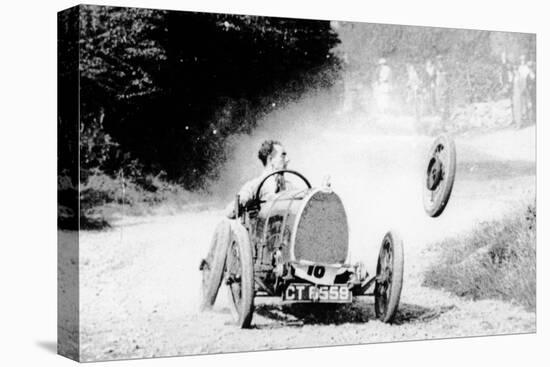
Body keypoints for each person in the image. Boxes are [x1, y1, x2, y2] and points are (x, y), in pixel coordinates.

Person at [225, 140, 290, 219]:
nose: (287, 159)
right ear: (270, 159)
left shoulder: (289, 186)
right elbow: (230, 212)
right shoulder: (254, 185)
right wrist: (243, 202)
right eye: (282, 156)